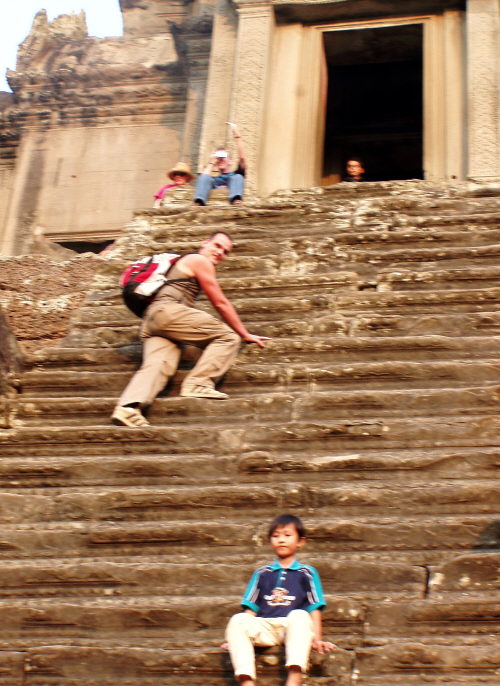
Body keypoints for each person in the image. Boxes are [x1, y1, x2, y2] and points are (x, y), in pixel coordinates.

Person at [111, 231, 269, 427]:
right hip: (168, 312)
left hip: (152, 320)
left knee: (159, 364)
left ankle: (128, 408)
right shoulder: (198, 260)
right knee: (228, 337)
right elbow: (220, 302)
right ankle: (199, 383)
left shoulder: (181, 263)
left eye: (225, 251)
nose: (220, 252)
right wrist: (244, 333)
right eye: (217, 246)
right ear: (205, 243)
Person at [224, 514, 337, 686]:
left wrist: (317, 639)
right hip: (265, 627)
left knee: (300, 615)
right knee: (238, 620)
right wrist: (235, 638)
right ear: (270, 542)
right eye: (276, 536)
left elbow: (314, 607)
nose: (281, 540)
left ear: (301, 541)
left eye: (287, 535)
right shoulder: (262, 573)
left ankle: (294, 676)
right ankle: (247, 682)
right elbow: (251, 608)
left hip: (291, 628)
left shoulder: (307, 573)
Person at [194, 124, 246, 206]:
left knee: (238, 177)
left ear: (230, 160)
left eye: (224, 156)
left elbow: (242, 158)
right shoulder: (213, 180)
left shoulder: (235, 175)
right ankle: (199, 202)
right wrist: (212, 162)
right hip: (216, 187)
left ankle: (236, 200)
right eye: (219, 157)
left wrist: (238, 137)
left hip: (232, 183)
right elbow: (204, 177)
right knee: (204, 177)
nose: (221, 159)